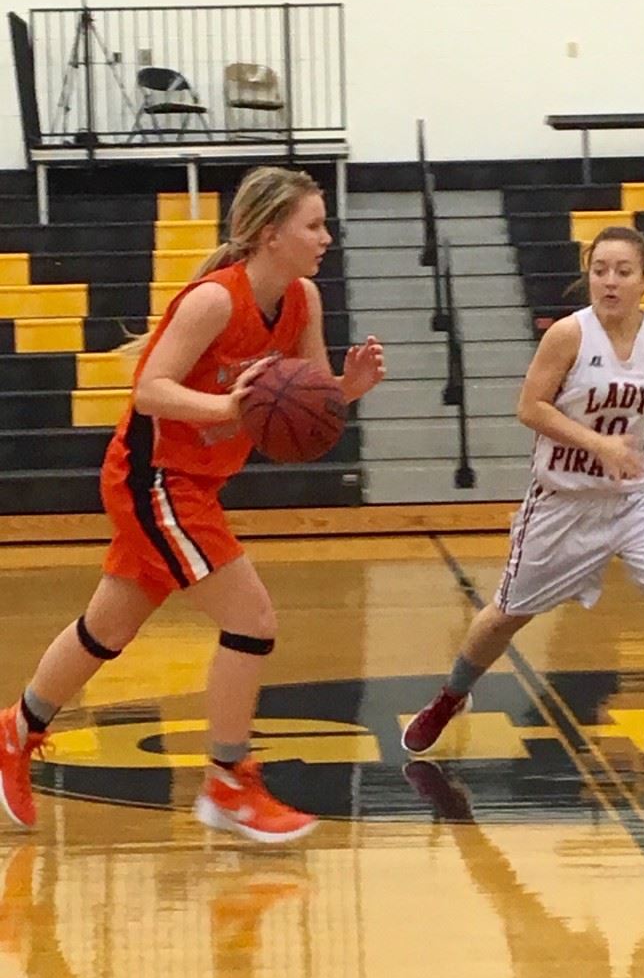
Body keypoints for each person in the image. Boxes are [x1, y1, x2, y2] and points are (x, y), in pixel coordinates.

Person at [0, 165, 385, 842]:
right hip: (152, 477)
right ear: (271, 234)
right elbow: (149, 389)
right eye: (314, 225)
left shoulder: (303, 300)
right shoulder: (214, 301)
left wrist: (346, 389)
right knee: (253, 620)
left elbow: (306, 403)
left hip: (196, 483)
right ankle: (227, 780)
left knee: (107, 630)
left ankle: (16, 729)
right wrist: (229, 405)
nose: (327, 236)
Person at [402, 225, 644, 773]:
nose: (609, 281)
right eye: (600, 270)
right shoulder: (570, 336)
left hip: (635, 497)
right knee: (504, 617)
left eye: (622, 271)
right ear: (588, 275)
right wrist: (599, 443)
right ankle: (451, 696)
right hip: (563, 501)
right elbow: (530, 408)